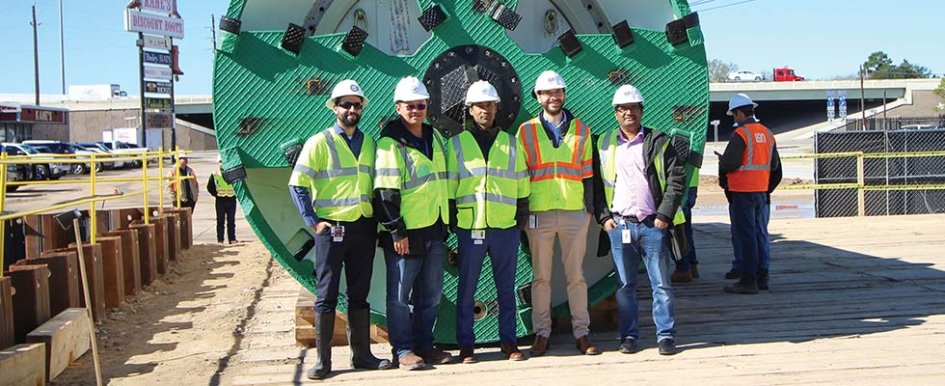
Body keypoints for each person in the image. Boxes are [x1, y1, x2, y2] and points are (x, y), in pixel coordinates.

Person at [288, 79, 392, 379]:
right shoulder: (319, 142)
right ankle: (323, 362)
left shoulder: (369, 143)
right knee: (326, 294)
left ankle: (361, 355)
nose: (351, 109)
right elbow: (298, 185)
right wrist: (312, 221)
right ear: (334, 107)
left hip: (362, 227)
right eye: (345, 104)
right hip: (331, 230)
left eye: (357, 105)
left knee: (360, 293)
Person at [593, 85, 687, 356]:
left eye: (633, 107)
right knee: (624, 286)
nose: (628, 113)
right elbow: (596, 184)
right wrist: (604, 218)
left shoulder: (659, 141)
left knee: (661, 284)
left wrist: (663, 217)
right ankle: (629, 336)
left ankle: (666, 335)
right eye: (622, 109)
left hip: (652, 225)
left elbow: (676, 180)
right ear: (616, 113)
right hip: (619, 225)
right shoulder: (604, 143)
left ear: (641, 111)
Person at [516, 70, 598, 356]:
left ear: (564, 94)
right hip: (539, 213)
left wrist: (588, 209)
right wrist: (523, 212)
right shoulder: (525, 131)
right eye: (547, 93)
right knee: (541, 277)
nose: (553, 97)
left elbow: (588, 173)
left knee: (576, 276)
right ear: (538, 97)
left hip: (574, 212)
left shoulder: (582, 130)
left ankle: (582, 333)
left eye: (558, 91)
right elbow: (521, 174)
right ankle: (542, 333)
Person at [447, 80, 530, 364]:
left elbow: (521, 182)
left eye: (490, 105)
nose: (485, 110)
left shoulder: (511, 143)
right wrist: (452, 219)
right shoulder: (456, 145)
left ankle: (509, 342)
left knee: (506, 287)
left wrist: (520, 215)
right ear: (470, 110)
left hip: (505, 227)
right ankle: (466, 345)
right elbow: (449, 185)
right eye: (480, 106)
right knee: (467, 288)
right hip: (471, 228)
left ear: (496, 109)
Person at [374, 76, 453, 370]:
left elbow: (441, 180)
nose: (415, 110)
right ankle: (403, 350)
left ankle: (425, 346)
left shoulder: (435, 138)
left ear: (427, 107)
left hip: (434, 226)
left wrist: (449, 219)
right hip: (405, 232)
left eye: (420, 105)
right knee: (399, 296)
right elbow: (385, 190)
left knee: (431, 294)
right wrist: (396, 229)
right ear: (398, 107)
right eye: (410, 106)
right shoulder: (389, 143)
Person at [719, 93, 782, 294]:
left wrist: (723, 163)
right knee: (760, 234)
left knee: (746, 236)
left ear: (739, 113)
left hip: (742, 192)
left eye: (733, 114)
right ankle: (762, 276)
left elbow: (730, 162)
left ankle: (748, 280)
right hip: (761, 193)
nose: (734, 118)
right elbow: (774, 166)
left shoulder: (741, 135)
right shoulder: (768, 134)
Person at [671, 166, 700, 283]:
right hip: (690, 181)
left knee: (678, 228)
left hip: (681, 181)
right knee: (685, 227)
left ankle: (683, 268)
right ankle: (691, 265)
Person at [207, 155, 239, 244]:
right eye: (220, 162)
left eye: (223, 161)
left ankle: (232, 239)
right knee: (220, 221)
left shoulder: (232, 172)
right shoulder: (215, 174)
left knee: (231, 221)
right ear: (218, 162)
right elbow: (210, 187)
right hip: (220, 199)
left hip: (231, 198)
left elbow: (238, 185)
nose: (222, 163)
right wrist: (216, 194)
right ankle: (220, 240)